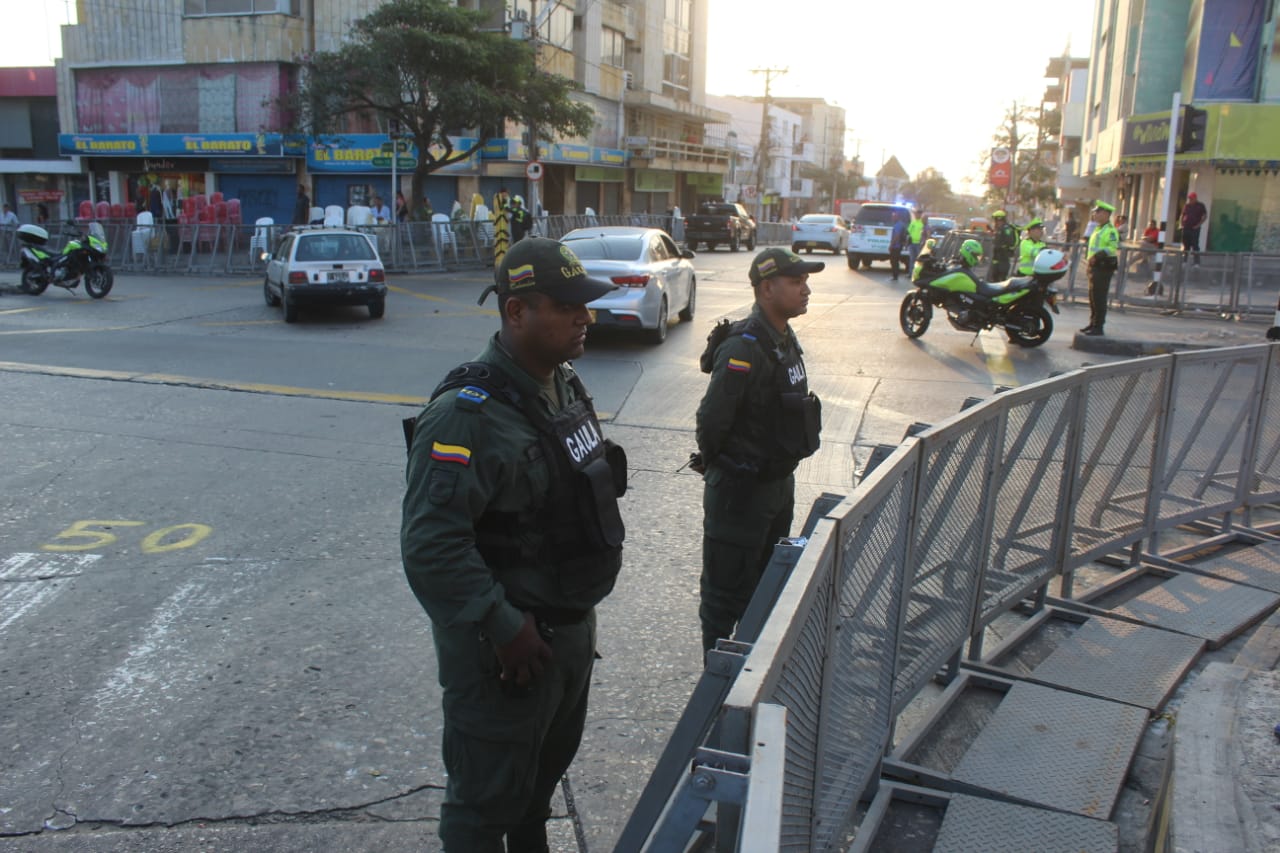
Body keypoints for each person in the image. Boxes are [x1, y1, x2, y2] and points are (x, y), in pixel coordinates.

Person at [401, 236, 626, 853]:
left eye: (587, 304)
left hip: (565, 635)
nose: (586, 316)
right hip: (507, 652)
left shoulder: (562, 381)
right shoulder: (465, 416)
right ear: (517, 312)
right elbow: (431, 547)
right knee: (481, 808)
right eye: (568, 306)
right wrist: (502, 626)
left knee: (534, 790)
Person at [694, 247, 824, 655]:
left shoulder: (783, 338)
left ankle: (747, 684)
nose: (806, 290)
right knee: (723, 598)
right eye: (796, 282)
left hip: (775, 487)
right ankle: (713, 698)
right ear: (767, 288)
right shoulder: (744, 347)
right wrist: (729, 469)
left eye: (806, 281)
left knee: (765, 589)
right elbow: (711, 422)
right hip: (741, 492)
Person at [1083, 200, 1120, 336]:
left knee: (1099, 297)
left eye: (1097, 212)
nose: (1095, 214)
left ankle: (1098, 326)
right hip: (1094, 267)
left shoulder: (1110, 231)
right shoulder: (1098, 229)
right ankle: (1092, 323)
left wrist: (1098, 255)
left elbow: (1112, 248)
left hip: (1102, 268)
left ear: (1105, 213)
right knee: (1093, 297)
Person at [989, 210, 1018, 282]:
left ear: (1000, 219)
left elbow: (1010, 242)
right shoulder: (999, 229)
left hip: (1003, 257)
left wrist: (1003, 247)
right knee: (994, 276)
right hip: (997, 256)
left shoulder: (1006, 229)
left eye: (996, 220)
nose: (995, 222)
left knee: (1001, 279)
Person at [1180, 191, 1207, 266]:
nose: (1190, 200)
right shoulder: (1187, 205)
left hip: (1194, 228)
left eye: (1191, 198)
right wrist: (1181, 224)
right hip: (1186, 227)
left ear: (1195, 198)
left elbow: (1204, 216)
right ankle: (1185, 261)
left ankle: (1196, 262)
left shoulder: (1200, 205)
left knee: (1195, 245)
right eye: (1189, 198)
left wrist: (1198, 225)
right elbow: (1182, 215)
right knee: (1186, 244)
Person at [888, 211, 907, 282]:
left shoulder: (897, 225)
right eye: (892, 216)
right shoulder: (901, 224)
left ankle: (895, 276)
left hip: (896, 246)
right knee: (895, 261)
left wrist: (891, 245)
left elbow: (896, 236)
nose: (892, 218)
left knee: (894, 261)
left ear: (897, 217)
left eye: (894, 216)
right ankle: (895, 275)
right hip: (899, 246)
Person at [906, 211, 925, 279]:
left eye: (918, 214)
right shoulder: (913, 222)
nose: (916, 215)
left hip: (919, 244)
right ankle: (911, 273)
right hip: (912, 243)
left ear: (920, 215)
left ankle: (918, 274)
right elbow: (909, 231)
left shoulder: (922, 223)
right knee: (912, 259)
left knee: (919, 260)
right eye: (916, 214)